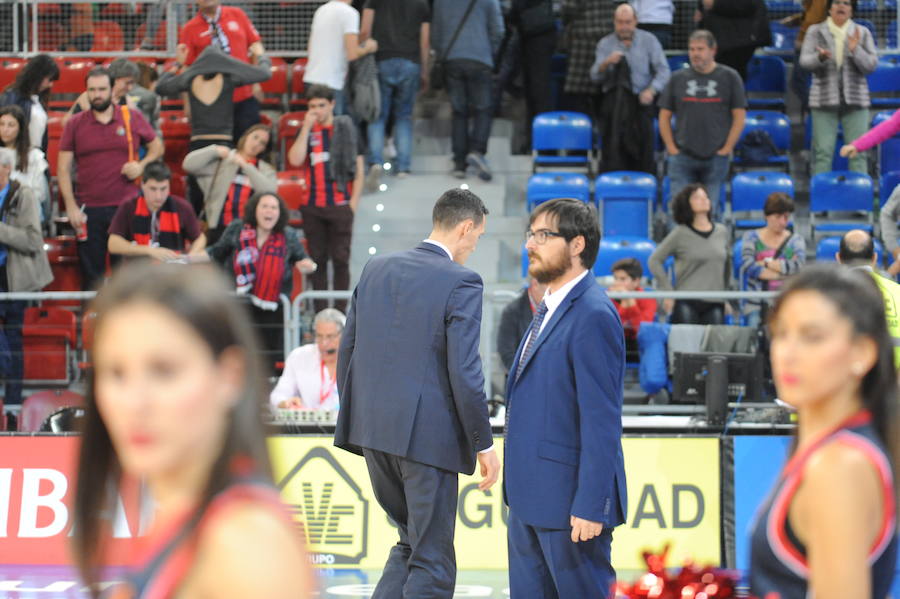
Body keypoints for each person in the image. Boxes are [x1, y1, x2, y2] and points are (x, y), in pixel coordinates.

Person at [71, 262, 313, 599]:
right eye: (115, 372)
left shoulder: (245, 542)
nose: (134, 402)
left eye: (164, 371)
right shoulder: (184, 518)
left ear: (229, 376)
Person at [335, 188, 501, 599]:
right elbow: (465, 370)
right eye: (477, 237)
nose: (474, 247)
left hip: (372, 434)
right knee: (433, 559)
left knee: (410, 543)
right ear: (465, 228)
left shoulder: (376, 267)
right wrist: (484, 442)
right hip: (427, 442)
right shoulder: (462, 280)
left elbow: (347, 349)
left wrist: (359, 415)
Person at [749, 264, 898, 598]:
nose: (788, 352)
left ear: (863, 352)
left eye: (812, 337)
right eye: (781, 333)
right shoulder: (829, 450)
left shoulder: (839, 465)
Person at [504, 197, 627, 597]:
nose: (530, 244)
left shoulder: (592, 313)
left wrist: (592, 503)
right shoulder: (549, 308)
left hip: (569, 505)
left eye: (544, 235)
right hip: (529, 500)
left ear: (577, 245)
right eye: (530, 234)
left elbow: (601, 420)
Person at [58, 67, 164, 291]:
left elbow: (157, 146)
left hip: (126, 207)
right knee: (91, 277)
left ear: (112, 89)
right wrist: (70, 206)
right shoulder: (75, 123)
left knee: (129, 276)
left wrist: (141, 166)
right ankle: (92, 325)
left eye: (102, 89)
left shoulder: (130, 116)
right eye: (92, 90)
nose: (97, 94)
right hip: (89, 209)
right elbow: (63, 168)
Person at [204, 191, 316, 363]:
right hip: (240, 306)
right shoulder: (237, 229)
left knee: (267, 360)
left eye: (273, 207)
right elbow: (216, 253)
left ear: (279, 213)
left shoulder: (288, 235)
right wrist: (186, 258)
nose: (269, 211)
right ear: (255, 210)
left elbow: (304, 260)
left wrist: (309, 266)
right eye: (264, 206)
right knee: (239, 355)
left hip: (273, 311)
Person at [287, 85, 363, 314]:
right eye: (312, 106)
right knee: (317, 261)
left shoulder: (346, 129)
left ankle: (340, 314)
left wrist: (352, 205)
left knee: (341, 261)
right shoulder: (307, 131)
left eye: (321, 105)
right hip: (312, 206)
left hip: (340, 205)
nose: (317, 110)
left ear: (331, 104)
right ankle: (319, 314)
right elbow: (295, 159)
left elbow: (359, 171)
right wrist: (306, 127)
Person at [659, 30, 747, 213]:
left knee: (710, 212)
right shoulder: (677, 78)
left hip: (716, 156)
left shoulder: (730, 77)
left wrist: (727, 148)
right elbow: (664, 116)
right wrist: (671, 147)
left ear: (713, 50)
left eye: (700, 49)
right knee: (679, 212)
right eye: (691, 49)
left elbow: (739, 116)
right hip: (682, 156)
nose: (695, 54)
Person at [0, 147, 52, 406]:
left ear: (7, 169)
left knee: (12, 338)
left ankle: (12, 405)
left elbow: (33, 241)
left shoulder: (24, 195)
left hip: (14, 278)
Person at [800, 0, 877, 176]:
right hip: (823, 101)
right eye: (836, 3)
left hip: (856, 101)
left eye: (846, 3)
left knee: (857, 152)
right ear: (829, 9)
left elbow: (871, 66)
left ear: (852, 10)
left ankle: (858, 201)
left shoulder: (862, 33)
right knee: (822, 154)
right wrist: (819, 58)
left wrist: (855, 50)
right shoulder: (815, 31)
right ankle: (821, 201)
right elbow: (804, 62)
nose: (841, 6)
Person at [590, 3, 669, 173]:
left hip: (641, 104)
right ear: (614, 22)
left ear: (636, 21)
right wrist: (606, 63)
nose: (624, 27)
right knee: (613, 151)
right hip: (614, 109)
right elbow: (595, 77)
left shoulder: (649, 40)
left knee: (643, 153)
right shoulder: (605, 44)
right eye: (620, 22)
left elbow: (664, 71)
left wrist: (651, 90)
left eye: (628, 22)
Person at [359, 0, 430, 188]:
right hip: (411, 62)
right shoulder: (421, 3)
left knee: (377, 115)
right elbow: (424, 40)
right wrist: (424, 70)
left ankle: (375, 162)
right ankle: (403, 167)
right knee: (404, 117)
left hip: (382, 60)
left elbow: (365, 30)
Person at [432, 0, 504, 181]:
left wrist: (444, 55)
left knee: (459, 111)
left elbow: (436, 34)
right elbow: (498, 30)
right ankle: (477, 151)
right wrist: (489, 51)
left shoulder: (441, 3)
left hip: (452, 60)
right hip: (480, 59)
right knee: (484, 109)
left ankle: (459, 163)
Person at [179, 0, 267, 140]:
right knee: (217, 147)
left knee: (248, 144)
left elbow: (255, 45)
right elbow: (186, 68)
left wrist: (256, 82)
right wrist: (187, 102)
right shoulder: (189, 28)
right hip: (210, 101)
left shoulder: (238, 15)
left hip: (244, 94)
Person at [648, 183, 730, 325]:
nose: (704, 200)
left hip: (715, 300)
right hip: (686, 300)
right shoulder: (680, 233)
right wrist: (669, 291)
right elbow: (654, 260)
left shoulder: (722, 231)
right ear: (687, 204)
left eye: (706, 196)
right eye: (697, 197)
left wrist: (725, 295)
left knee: (714, 346)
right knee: (687, 346)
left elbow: (726, 266)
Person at [182, 123, 277, 246]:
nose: (256, 144)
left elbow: (269, 192)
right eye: (255, 137)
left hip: (249, 229)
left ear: (264, 149)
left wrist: (245, 166)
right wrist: (214, 150)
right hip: (218, 227)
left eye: (262, 143)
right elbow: (188, 165)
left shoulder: (266, 170)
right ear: (246, 137)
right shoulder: (223, 161)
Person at [107, 161, 207, 261]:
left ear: (169, 185)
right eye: (153, 189)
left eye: (163, 189)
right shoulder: (129, 206)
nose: (158, 196)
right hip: (137, 270)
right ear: (142, 185)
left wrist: (191, 255)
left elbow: (199, 238)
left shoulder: (182, 206)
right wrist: (149, 251)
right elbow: (113, 244)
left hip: (173, 268)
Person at [835, 229, 900, 368]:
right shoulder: (897, 291)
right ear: (875, 258)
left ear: (838, 258)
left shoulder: (823, 294)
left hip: (846, 376)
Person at [739, 192, 806, 328]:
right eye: (778, 217)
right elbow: (748, 266)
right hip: (756, 304)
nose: (783, 222)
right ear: (766, 216)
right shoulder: (751, 237)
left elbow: (798, 267)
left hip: (785, 302)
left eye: (786, 217)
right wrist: (784, 273)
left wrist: (765, 263)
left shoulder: (795, 240)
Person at [304, 0, 379, 116]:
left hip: (311, 76)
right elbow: (352, 53)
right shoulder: (349, 13)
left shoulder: (321, 10)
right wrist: (369, 47)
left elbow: (310, 48)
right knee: (335, 128)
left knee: (316, 127)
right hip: (332, 81)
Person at [64, 58, 161, 138]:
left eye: (132, 83)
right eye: (127, 83)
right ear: (115, 79)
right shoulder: (90, 96)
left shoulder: (127, 101)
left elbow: (143, 130)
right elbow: (65, 123)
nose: (130, 88)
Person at [270, 308, 344, 411]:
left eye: (330, 337)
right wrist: (285, 403)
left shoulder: (355, 360)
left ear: (344, 336)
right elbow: (278, 395)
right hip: (307, 426)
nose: (324, 343)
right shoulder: (299, 356)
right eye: (319, 336)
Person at [508, 0, 557, 148]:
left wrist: (511, 14)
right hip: (532, 34)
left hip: (538, 34)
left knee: (538, 92)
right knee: (533, 92)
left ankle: (544, 143)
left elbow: (518, 7)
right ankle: (534, 141)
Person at [697, 0, 772, 81]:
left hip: (737, 42)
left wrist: (716, 4)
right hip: (719, 40)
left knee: (730, 81)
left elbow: (748, 4)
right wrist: (701, 10)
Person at [560, 0, 613, 116]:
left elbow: (568, 9)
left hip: (583, 38)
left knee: (580, 93)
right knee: (602, 90)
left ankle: (584, 130)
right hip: (607, 34)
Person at [0, 105, 50, 223]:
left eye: (11, 125)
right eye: (1, 124)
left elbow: (41, 195)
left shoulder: (34, 157)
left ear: (20, 128)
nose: (5, 129)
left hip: (25, 218)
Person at [0, 54, 59, 151]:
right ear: (39, 75)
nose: (50, 84)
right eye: (49, 79)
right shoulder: (11, 97)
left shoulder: (38, 100)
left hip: (35, 157)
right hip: (15, 158)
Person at [497, 277, 547, 375]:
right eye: (548, 289)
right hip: (521, 381)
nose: (552, 293)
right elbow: (507, 354)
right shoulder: (512, 312)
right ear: (535, 284)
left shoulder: (552, 309)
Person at [610, 257, 657, 356]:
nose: (617, 283)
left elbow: (643, 331)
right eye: (615, 278)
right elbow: (613, 330)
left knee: (653, 342)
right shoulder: (608, 296)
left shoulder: (648, 298)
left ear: (636, 281)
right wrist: (624, 302)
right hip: (614, 342)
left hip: (639, 342)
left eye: (622, 279)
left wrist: (631, 303)